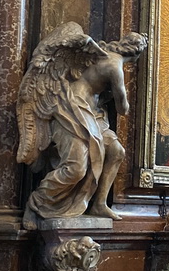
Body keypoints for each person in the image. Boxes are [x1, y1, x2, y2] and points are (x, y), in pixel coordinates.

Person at [17, 24, 148, 225]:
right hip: (73, 108)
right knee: (76, 168)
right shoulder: (115, 66)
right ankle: (36, 203)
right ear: (136, 55)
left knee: (116, 151)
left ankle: (99, 203)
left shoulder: (104, 56)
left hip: (93, 113)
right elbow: (123, 108)